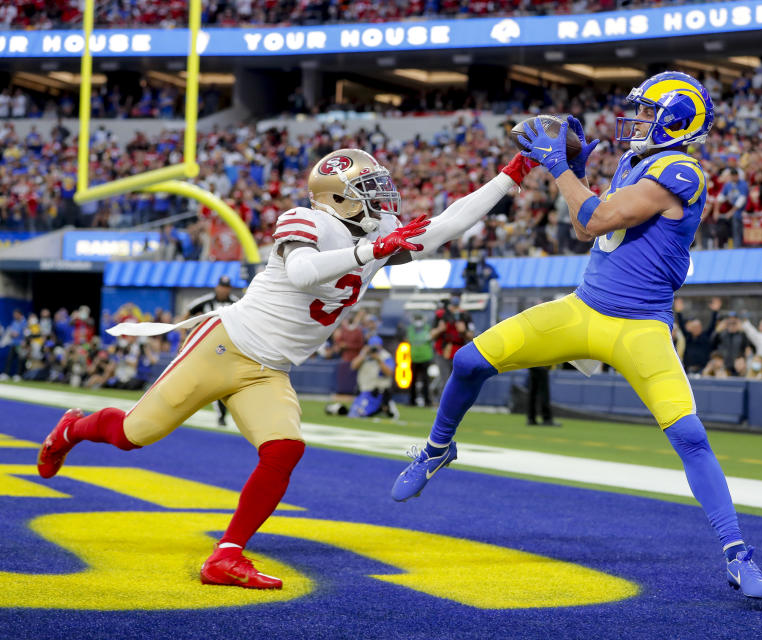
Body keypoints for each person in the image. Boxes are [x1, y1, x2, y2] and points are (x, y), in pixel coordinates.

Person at [36, 147, 534, 590]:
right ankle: (71, 429)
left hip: (270, 369)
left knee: (284, 449)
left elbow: (448, 222)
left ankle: (227, 554)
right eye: (367, 189)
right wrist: (372, 250)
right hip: (225, 346)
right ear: (336, 197)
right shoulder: (308, 219)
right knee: (131, 435)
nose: (381, 199)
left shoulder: (378, 231)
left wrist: (513, 173)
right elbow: (302, 272)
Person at [392, 72, 762, 599]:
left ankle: (737, 554)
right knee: (467, 361)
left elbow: (598, 216)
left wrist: (560, 170)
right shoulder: (636, 162)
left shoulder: (682, 168)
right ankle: (436, 449)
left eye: (646, 111)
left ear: (677, 119)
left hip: (640, 326)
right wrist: (572, 171)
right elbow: (583, 227)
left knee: (689, 436)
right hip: (584, 308)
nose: (635, 119)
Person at [183, 275, 240, 426]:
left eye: (226, 287)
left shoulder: (236, 303)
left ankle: (222, 414)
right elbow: (187, 316)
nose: (223, 290)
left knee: (222, 381)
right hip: (205, 346)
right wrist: (185, 339)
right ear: (217, 287)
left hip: (227, 348)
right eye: (222, 286)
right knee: (196, 380)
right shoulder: (206, 301)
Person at [326, 336, 398, 418]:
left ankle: (385, 406)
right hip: (363, 392)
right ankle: (383, 409)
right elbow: (353, 366)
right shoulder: (364, 354)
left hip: (377, 393)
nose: (374, 349)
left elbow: (389, 373)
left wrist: (379, 360)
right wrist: (363, 355)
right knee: (353, 412)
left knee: (360, 413)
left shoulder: (385, 356)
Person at [675, 297, 721, 374]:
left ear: (701, 327)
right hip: (688, 369)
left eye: (698, 327)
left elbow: (712, 325)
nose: (696, 329)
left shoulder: (705, 336)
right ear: (691, 329)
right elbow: (681, 325)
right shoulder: (688, 337)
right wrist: (679, 312)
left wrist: (715, 311)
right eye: (694, 327)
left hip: (703, 370)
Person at [406, 313, 434, 406]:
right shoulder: (410, 329)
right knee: (413, 380)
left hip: (425, 357)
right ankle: (412, 400)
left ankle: (427, 400)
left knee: (425, 380)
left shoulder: (427, 328)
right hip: (414, 358)